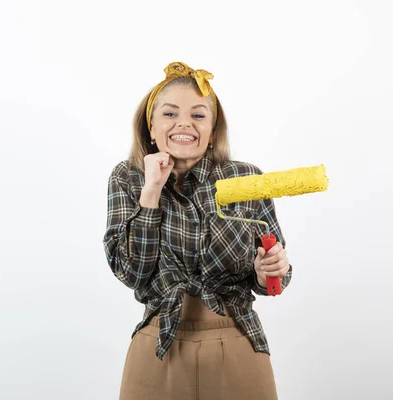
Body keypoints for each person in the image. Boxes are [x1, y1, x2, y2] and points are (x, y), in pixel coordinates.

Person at [102, 61, 292, 400]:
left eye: (198, 115)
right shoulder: (128, 178)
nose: (184, 124)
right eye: (170, 114)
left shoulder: (246, 179)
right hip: (159, 345)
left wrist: (270, 272)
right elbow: (132, 273)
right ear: (151, 126)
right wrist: (152, 192)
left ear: (213, 127)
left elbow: (277, 278)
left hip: (237, 341)